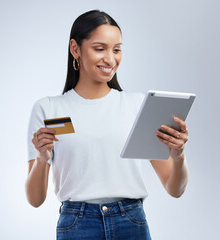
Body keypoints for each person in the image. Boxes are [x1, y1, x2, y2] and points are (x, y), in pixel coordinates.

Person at [25, 10, 189, 240]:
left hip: (131, 222)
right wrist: (42, 158)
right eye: (99, 48)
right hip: (77, 225)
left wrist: (179, 155)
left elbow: (175, 189)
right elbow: (35, 200)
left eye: (117, 49)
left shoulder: (137, 105)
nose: (110, 59)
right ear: (75, 49)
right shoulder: (48, 108)